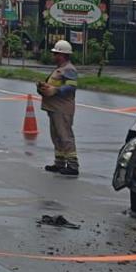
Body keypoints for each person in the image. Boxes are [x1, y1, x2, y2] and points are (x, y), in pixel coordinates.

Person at [38, 40, 79, 176]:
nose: (54, 56)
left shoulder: (69, 69)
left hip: (62, 109)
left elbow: (71, 87)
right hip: (54, 108)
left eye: (56, 54)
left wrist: (55, 90)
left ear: (63, 55)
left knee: (65, 136)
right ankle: (60, 162)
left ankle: (73, 165)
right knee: (56, 137)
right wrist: (43, 88)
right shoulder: (59, 69)